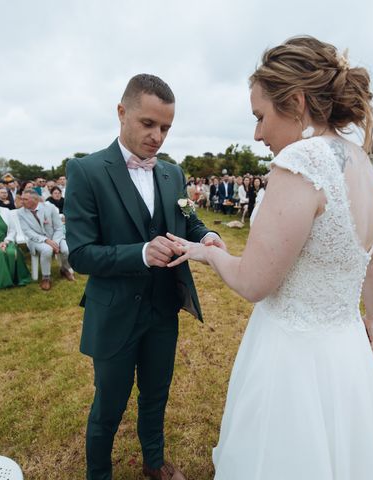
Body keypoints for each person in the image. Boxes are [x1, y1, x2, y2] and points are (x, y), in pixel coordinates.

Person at [168, 36, 373, 479]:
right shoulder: (362, 163)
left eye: (261, 117)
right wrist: (371, 323)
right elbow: (372, 265)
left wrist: (207, 254)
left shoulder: (302, 160)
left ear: (295, 103)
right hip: (346, 350)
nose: (257, 134)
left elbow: (254, 283)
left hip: (293, 356)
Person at [65, 73, 224, 480]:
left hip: (162, 309)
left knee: (156, 395)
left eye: (166, 128)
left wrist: (206, 233)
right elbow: (81, 253)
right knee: (109, 406)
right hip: (115, 312)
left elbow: (187, 218)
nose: (158, 137)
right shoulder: (85, 171)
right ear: (122, 113)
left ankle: (155, 463)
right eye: (148, 124)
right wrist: (140, 252)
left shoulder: (173, 174)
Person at [18, 189, 74, 290]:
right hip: (35, 240)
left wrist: (55, 242)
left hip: (55, 237)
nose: (22, 201)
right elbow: (28, 232)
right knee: (47, 250)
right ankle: (46, 277)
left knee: (66, 249)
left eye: (25, 199)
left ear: (35, 200)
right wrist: (46, 241)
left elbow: (59, 227)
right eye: (22, 199)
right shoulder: (21, 212)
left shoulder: (50, 207)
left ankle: (64, 269)